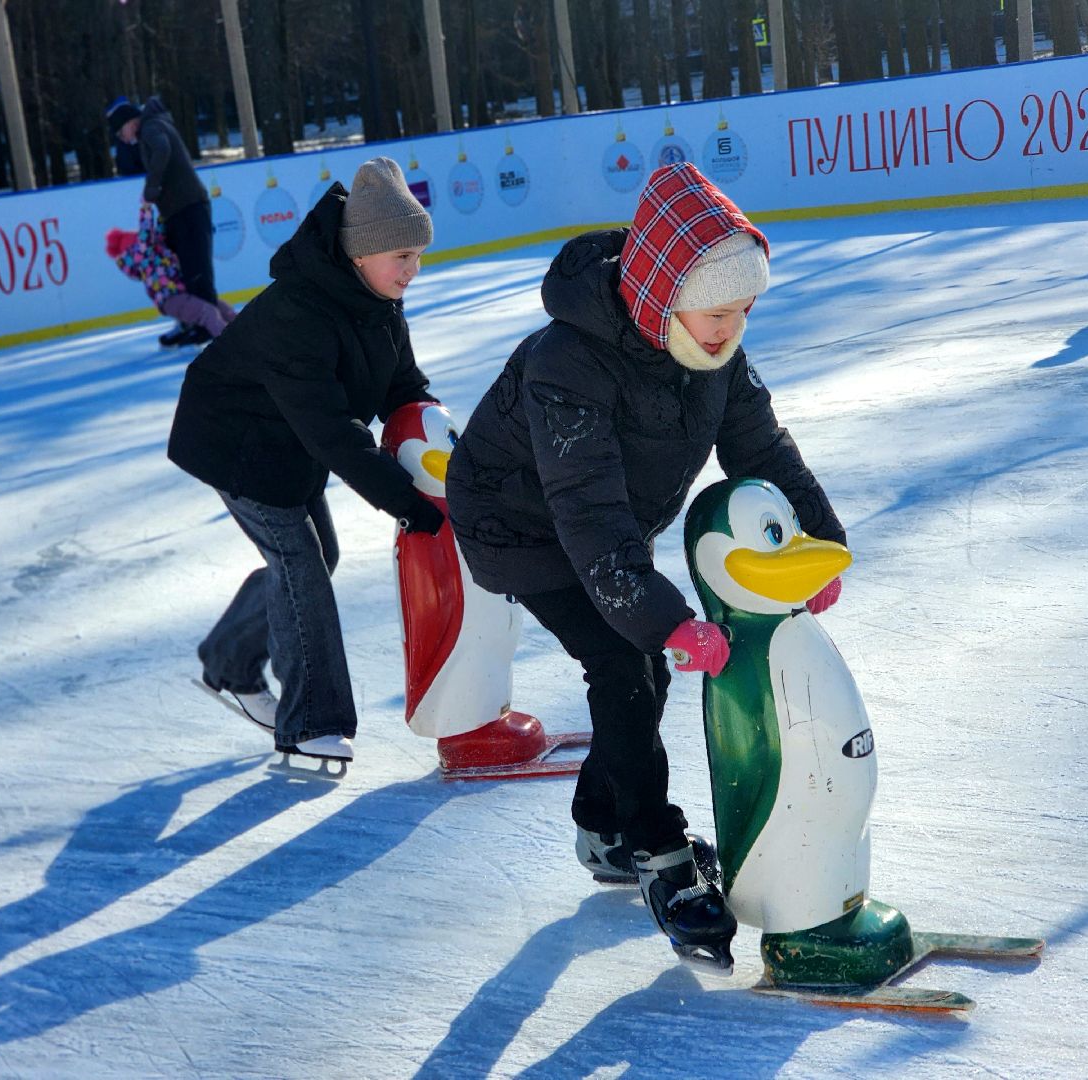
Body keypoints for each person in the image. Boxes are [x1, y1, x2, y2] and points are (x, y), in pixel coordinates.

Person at [444, 162, 846, 964]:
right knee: (628, 665)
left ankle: (602, 825)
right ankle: (657, 849)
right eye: (718, 311)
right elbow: (585, 515)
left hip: (606, 523)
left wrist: (817, 543)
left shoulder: (714, 352)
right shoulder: (568, 361)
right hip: (517, 525)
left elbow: (762, 448)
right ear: (664, 295)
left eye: (745, 309)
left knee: (645, 674)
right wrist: (666, 618)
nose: (733, 327)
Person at [167, 157, 443, 765]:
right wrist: (406, 503)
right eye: (401, 255)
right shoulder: (300, 312)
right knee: (301, 565)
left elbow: (404, 386)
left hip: (286, 444)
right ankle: (310, 719)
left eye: (417, 255)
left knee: (319, 557)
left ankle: (230, 662)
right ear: (360, 253)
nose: (412, 270)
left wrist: (439, 440)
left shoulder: (378, 303)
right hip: (237, 442)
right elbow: (333, 433)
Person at [105, 96, 216, 345]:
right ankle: (192, 323)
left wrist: (152, 187)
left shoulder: (151, 127)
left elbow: (163, 149)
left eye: (120, 131)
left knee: (197, 270)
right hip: (178, 211)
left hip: (189, 208)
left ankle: (207, 327)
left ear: (129, 122)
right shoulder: (150, 128)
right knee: (184, 271)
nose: (122, 138)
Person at [105, 202, 238, 339]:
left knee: (224, 309)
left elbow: (160, 232)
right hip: (171, 299)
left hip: (186, 293)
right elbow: (146, 233)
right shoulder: (141, 255)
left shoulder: (153, 251)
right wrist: (146, 208)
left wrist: (165, 211)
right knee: (208, 312)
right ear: (133, 247)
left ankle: (248, 336)